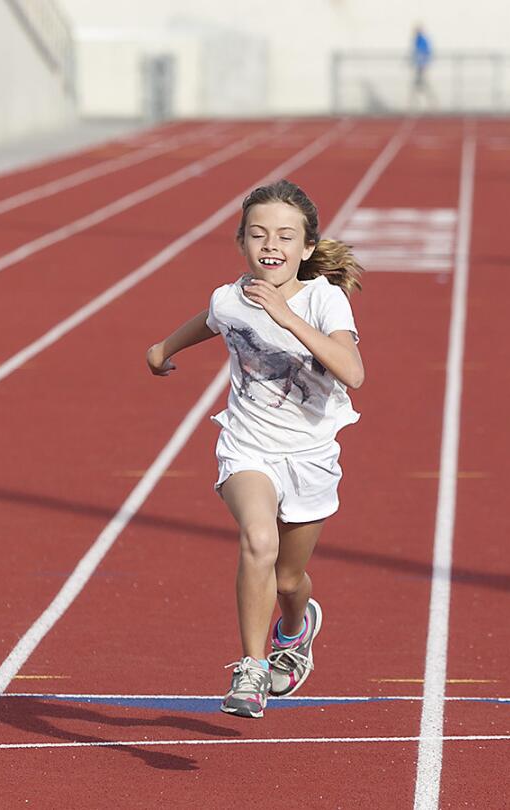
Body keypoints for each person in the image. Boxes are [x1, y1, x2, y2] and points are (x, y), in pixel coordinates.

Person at [146, 179, 366, 719]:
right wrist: (164, 347)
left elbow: (353, 372)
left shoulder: (323, 299)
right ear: (242, 241)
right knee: (258, 540)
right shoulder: (229, 297)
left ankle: (297, 625)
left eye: (286, 236)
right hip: (247, 446)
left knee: (288, 578)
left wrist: (286, 317)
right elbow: (214, 318)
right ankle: (252, 667)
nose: (271, 244)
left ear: (307, 248)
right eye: (259, 233)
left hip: (311, 454)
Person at [410, 23, 435, 111]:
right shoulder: (418, 40)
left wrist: (422, 63)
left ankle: (431, 104)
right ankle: (416, 104)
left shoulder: (421, 40)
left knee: (424, 85)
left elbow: (424, 52)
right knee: (418, 85)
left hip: (421, 66)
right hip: (419, 66)